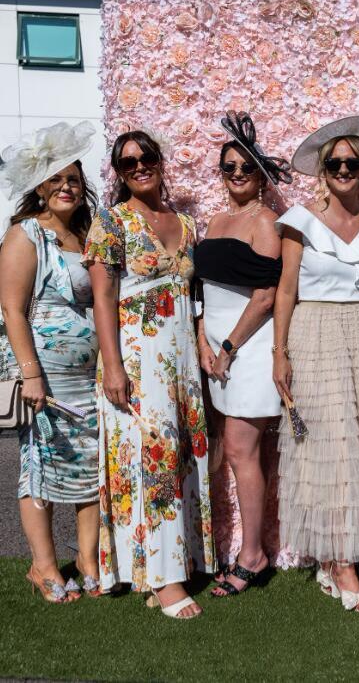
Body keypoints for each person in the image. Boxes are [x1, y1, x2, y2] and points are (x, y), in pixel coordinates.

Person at [83, 130, 215, 619]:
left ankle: (181, 558)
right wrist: (113, 366)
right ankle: (162, 578)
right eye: (128, 162)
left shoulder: (184, 222)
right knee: (151, 460)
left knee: (180, 454)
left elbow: (193, 295)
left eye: (147, 157)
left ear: (161, 161)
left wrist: (200, 342)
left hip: (179, 357)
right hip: (136, 359)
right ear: (118, 172)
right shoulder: (110, 224)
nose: (139, 166)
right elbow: (102, 299)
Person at [272, 115, 359, 612]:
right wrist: (279, 354)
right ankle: (342, 564)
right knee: (328, 443)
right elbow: (285, 290)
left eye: (352, 162)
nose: (343, 169)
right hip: (314, 334)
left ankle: (337, 556)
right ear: (322, 172)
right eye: (334, 163)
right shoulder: (299, 223)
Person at [0, 121, 100, 602]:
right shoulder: (25, 235)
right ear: (39, 186)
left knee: (89, 463)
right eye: (56, 179)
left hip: (90, 374)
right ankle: (42, 567)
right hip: (46, 374)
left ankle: (87, 558)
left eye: (74, 180)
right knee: (40, 463)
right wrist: (31, 375)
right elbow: (12, 310)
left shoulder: (86, 235)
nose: (66, 187)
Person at [195, 112, 290, 597]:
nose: (236, 175)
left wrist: (229, 347)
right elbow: (203, 287)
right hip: (217, 351)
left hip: (246, 350)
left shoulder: (266, 220)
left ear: (261, 175)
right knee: (233, 450)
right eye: (228, 167)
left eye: (246, 168)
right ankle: (248, 548)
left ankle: (253, 554)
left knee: (240, 449)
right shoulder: (215, 220)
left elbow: (266, 296)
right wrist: (203, 341)